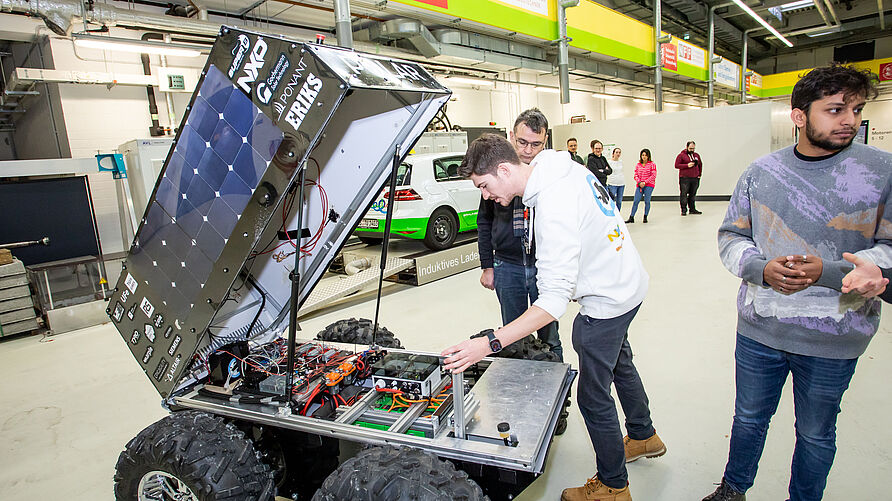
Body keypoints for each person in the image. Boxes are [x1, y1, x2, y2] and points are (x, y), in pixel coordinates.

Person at [444, 134, 665, 501]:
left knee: (593, 397)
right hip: (630, 282)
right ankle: (644, 436)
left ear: (503, 169)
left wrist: (488, 343)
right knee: (620, 362)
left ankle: (613, 485)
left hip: (606, 300)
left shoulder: (553, 206)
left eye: (484, 186)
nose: (485, 196)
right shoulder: (553, 165)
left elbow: (551, 304)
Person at [706, 63, 892, 501]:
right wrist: (761, 269)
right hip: (760, 329)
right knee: (748, 418)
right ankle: (733, 489)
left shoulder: (881, 171)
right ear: (799, 116)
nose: (849, 120)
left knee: (815, 433)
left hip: (834, 337)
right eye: (835, 109)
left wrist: (830, 272)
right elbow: (732, 236)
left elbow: (889, 247)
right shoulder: (760, 172)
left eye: (856, 109)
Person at [476, 108, 562, 361]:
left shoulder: (551, 176)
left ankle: (558, 390)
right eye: (522, 142)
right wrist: (487, 266)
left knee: (550, 336)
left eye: (536, 144)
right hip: (507, 266)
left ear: (545, 142)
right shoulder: (497, 172)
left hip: (542, 266)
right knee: (513, 336)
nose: (527, 150)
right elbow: (484, 222)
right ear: (512, 136)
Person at [625, 149, 656, 224]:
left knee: (647, 201)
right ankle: (631, 217)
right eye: (643, 155)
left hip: (649, 185)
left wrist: (645, 182)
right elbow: (635, 175)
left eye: (645, 155)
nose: (644, 157)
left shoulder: (652, 164)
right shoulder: (638, 165)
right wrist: (639, 182)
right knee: (636, 201)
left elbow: (653, 175)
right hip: (639, 185)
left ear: (648, 156)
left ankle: (645, 216)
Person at [674, 141, 702, 216]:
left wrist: (699, 174)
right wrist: (687, 165)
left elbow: (700, 164)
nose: (692, 150)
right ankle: (683, 209)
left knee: (693, 194)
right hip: (684, 178)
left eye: (693, 148)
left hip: (695, 178)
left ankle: (692, 209)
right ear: (687, 147)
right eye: (690, 148)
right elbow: (676, 165)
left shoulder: (696, 155)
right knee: (684, 194)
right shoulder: (681, 155)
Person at [607, 147, 625, 211]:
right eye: (616, 152)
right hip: (612, 183)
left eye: (619, 152)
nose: (618, 154)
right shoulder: (609, 162)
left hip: (621, 184)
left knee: (619, 201)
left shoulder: (621, 162)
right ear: (613, 153)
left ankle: (618, 215)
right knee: (611, 200)